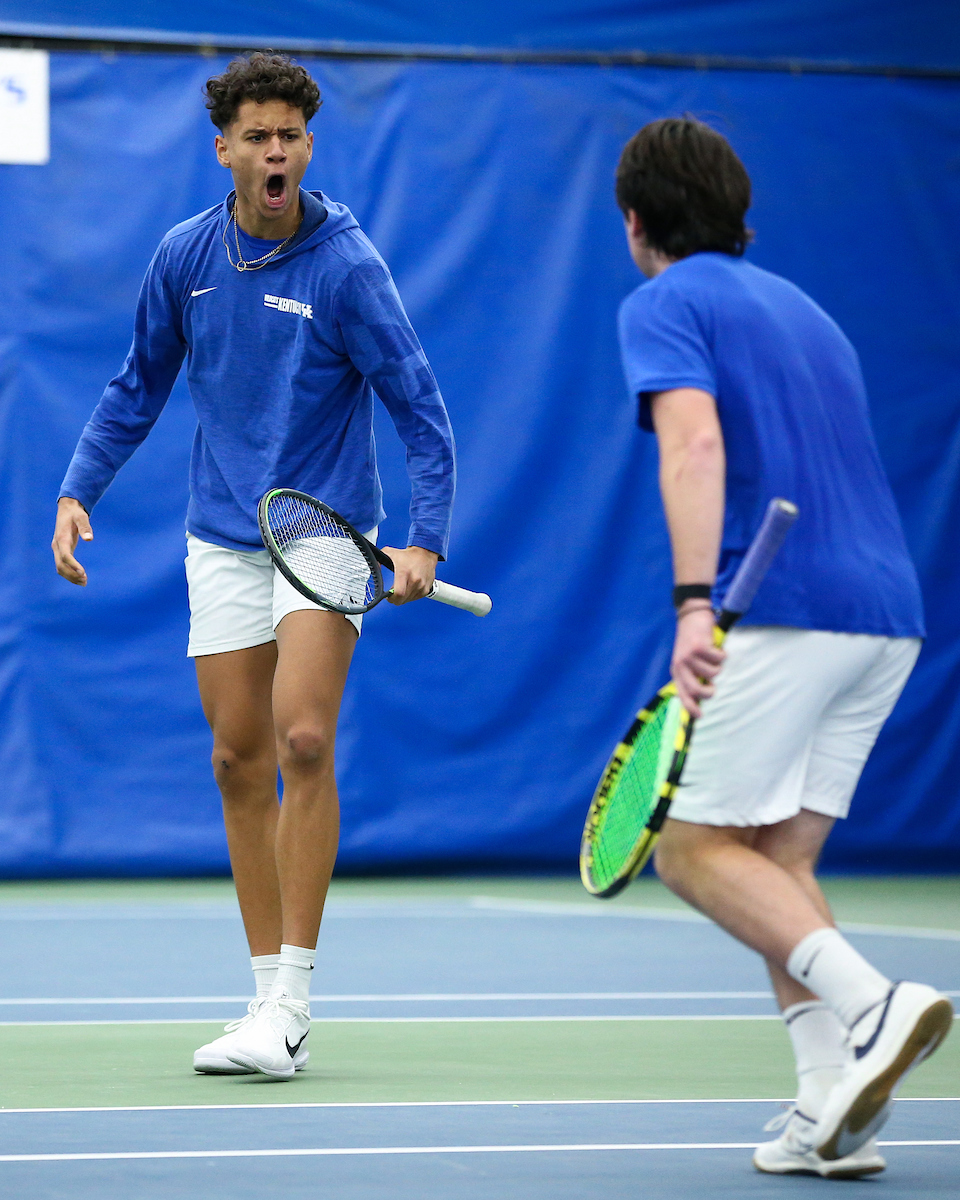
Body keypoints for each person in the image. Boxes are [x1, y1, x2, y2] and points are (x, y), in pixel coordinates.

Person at [51, 53, 455, 1080]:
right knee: (239, 759)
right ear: (225, 150)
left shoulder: (348, 266)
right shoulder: (186, 257)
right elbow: (135, 385)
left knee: (304, 738)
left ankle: (293, 1005)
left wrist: (424, 537)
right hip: (222, 534)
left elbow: (422, 410)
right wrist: (77, 491)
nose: (277, 151)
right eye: (259, 136)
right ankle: (263, 992)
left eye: (293, 135)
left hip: (321, 529)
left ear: (307, 146)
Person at [615, 118, 951, 1177]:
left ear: (635, 224)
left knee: (691, 849)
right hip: (888, 618)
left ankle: (872, 1004)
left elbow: (696, 442)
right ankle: (828, 1109)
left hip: (787, 608)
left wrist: (691, 605)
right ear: (736, 212)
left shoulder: (663, 301)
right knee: (778, 860)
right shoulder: (810, 313)